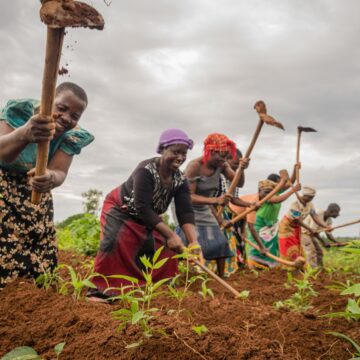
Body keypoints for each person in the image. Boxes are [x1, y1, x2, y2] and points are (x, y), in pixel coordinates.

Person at [0, 82, 93, 288]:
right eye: (61, 108)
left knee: (40, 241)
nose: (67, 118)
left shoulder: (72, 136)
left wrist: (49, 177)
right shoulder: (20, 112)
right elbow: (2, 152)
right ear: (49, 100)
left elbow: (60, 171)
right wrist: (24, 134)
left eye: (75, 116)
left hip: (36, 190)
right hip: (3, 185)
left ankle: (36, 297)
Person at [90, 129, 198, 299]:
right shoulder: (145, 170)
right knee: (113, 243)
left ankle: (154, 291)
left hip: (148, 217)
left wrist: (193, 242)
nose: (180, 157)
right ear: (163, 149)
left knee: (164, 249)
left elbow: (185, 211)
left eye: (184, 153)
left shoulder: (180, 179)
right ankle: (101, 291)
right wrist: (171, 234)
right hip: (120, 209)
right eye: (175, 152)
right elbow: (142, 207)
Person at [176, 133, 249, 278]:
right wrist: (215, 201)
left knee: (219, 241)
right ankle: (181, 275)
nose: (224, 160)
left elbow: (238, 183)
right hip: (185, 206)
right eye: (222, 156)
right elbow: (189, 197)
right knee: (187, 242)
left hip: (205, 205)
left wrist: (242, 169)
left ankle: (221, 278)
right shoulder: (194, 166)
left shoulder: (222, 165)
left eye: (227, 156)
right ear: (212, 152)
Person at [247, 178, 301, 269]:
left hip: (272, 224)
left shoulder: (275, 192)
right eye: (267, 191)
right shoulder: (265, 197)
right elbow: (278, 200)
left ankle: (269, 263)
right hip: (260, 223)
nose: (269, 194)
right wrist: (293, 190)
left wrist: (295, 169)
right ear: (260, 190)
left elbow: (290, 182)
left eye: (271, 191)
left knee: (271, 245)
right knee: (259, 243)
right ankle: (254, 263)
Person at [278, 186, 327, 263]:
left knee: (297, 246)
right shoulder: (295, 204)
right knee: (288, 245)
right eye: (309, 197)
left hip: (296, 227)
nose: (311, 199)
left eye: (312, 197)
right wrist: (310, 229)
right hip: (286, 226)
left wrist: (325, 226)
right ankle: (287, 264)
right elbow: (298, 220)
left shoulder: (310, 204)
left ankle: (297, 264)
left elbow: (314, 216)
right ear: (304, 195)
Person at [301, 203, 341, 268]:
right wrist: (323, 242)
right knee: (311, 252)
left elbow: (328, 234)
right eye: (337, 212)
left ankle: (320, 269)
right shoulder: (319, 213)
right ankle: (311, 269)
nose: (338, 214)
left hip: (312, 236)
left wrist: (337, 242)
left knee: (319, 252)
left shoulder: (329, 220)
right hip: (304, 234)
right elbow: (313, 231)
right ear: (331, 211)